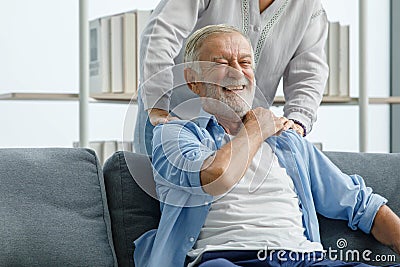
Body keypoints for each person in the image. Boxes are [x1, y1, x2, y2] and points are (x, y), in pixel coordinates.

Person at [133, 25, 400, 267]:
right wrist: (255, 128)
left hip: (304, 260)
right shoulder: (175, 135)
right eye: (221, 63)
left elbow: (363, 206)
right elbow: (215, 177)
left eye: (245, 62)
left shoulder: (287, 142)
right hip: (224, 259)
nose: (237, 71)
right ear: (193, 80)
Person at [133, 0, 329, 155]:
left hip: (241, 130)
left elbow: (310, 72)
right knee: (157, 201)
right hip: (174, 118)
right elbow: (159, 36)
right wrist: (158, 106)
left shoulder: (310, 8)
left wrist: (297, 121)